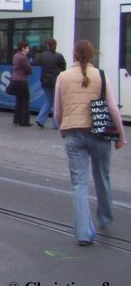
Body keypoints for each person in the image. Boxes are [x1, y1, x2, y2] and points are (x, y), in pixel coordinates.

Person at [54, 39, 127, 246]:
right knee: (102, 176)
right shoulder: (101, 75)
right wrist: (121, 136)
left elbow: (58, 110)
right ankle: (105, 217)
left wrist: (62, 127)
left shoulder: (63, 77)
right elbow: (112, 108)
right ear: (92, 55)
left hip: (74, 135)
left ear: (74, 55)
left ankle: (84, 234)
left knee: (79, 184)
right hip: (100, 134)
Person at [36, 38, 66, 129]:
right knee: (56, 102)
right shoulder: (59, 56)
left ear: (47, 45)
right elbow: (63, 67)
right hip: (55, 82)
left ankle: (40, 119)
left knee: (48, 101)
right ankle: (55, 124)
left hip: (45, 82)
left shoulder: (42, 56)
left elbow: (38, 62)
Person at [9, 41, 33, 126]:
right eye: (27, 48)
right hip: (22, 80)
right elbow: (28, 68)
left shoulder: (15, 55)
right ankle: (24, 121)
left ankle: (16, 119)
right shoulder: (23, 57)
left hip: (15, 79)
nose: (28, 49)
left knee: (18, 100)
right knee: (25, 100)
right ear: (23, 48)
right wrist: (30, 71)